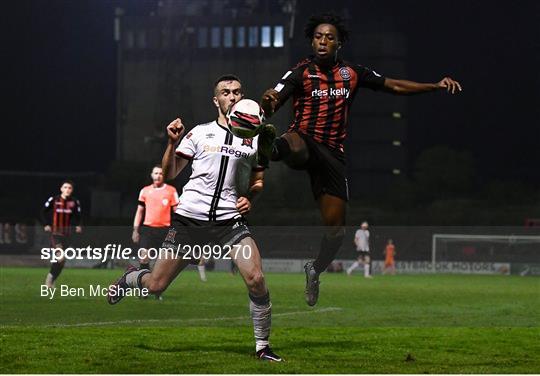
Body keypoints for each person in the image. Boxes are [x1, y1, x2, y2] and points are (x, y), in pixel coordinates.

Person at [258, 13, 462, 306]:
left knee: (336, 231)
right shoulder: (299, 72)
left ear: (339, 42)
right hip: (303, 139)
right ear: (312, 41)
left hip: (333, 156)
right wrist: (268, 101)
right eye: (318, 37)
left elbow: (394, 85)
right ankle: (269, 149)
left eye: (329, 37)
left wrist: (435, 85)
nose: (323, 41)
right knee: (295, 143)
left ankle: (314, 269)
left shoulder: (353, 73)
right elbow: (274, 98)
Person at [107, 75, 282, 362]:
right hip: (190, 220)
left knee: (256, 278)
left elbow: (258, 182)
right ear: (216, 100)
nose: (232, 96)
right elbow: (170, 174)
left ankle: (262, 347)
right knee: (155, 286)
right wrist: (171, 142)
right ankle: (130, 278)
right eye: (225, 92)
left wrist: (251, 197)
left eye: (237, 92)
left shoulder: (254, 139)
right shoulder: (200, 133)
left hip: (229, 221)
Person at [41, 180, 82, 288]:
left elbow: (78, 216)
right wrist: (46, 224)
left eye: (70, 188)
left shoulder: (74, 202)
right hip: (56, 234)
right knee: (61, 257)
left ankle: (52, 277)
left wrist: (78, 225)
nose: (67, 190)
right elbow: (43, 212)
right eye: (65, 187)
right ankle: (49, 280)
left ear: (72, 190)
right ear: (61, 188)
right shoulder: (54, 200)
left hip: (67, 235)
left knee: (61, 262)